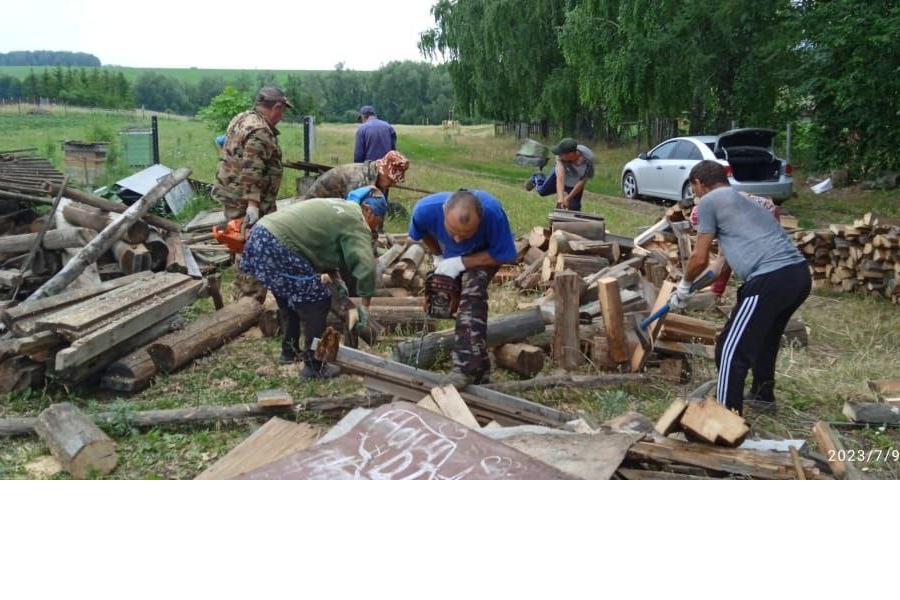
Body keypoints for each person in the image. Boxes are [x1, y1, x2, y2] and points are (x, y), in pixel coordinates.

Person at [673, 160, 810, 415]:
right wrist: (689, 292)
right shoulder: (743, 203)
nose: (695, 195)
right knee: (765, 338)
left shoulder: (710, 202)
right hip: (798, 276)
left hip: (770, 278)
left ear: (699, 184)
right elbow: (717, 268)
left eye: (694, 190)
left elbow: (699, 258)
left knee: (729, 348)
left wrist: (683, 284)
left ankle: (724, 417)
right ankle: (762, 395)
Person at [240, 195, 387, 376]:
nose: (375, 228)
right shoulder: (356, 222)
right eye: (378, 222)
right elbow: (366, 266)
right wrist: (365, 305)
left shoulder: (343, 207)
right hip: (278, 244)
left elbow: (319, 242)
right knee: (318, 301)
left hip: (261, 234)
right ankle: (314, 365)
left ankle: (289, 351)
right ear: (370, 212)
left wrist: (336, 278)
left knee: (289, 298)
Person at [408, 189, 518, 387]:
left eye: (466, 235)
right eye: (452, 233)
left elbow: (505, 254)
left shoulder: (493, 214)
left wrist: (461, 263)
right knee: (444, 290)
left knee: (472, 292)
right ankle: (481, 370)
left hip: (484, 256)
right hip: (449, 255)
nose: (458, 240)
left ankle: (464, 368)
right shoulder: (424, 210)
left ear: (480, 221)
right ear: (443, 212)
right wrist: (438, 256)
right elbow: (421, 232)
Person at [212, 85, 292, 302]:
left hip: (233, 194)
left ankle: (243, 297)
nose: (282, 116)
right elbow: (252, 169)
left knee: (243, 246)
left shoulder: (242, 118)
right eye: (283, 110)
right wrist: (252, 206)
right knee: (254, 248)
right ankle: (248, 303)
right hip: (247, 200)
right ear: (276, 107)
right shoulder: (260, 131)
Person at [690, 191, 782, 301]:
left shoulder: (728, 219)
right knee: (728, 255)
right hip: (750, 212)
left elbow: (720, 265)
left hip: (765, 216)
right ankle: (718, 291)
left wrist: (689, 288)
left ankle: (763, 294)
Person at [525, 137, 594, 211]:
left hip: (575, 179)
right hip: (562, 172)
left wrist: (567, 198)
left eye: (561, 154)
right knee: (542, 191)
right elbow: (560, 178)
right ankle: (537, 177)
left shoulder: (588, 160)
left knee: (574, 207)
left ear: (570, 154)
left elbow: (581, 182)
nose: (558, 155)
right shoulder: (559, 157)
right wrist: (560, 200)